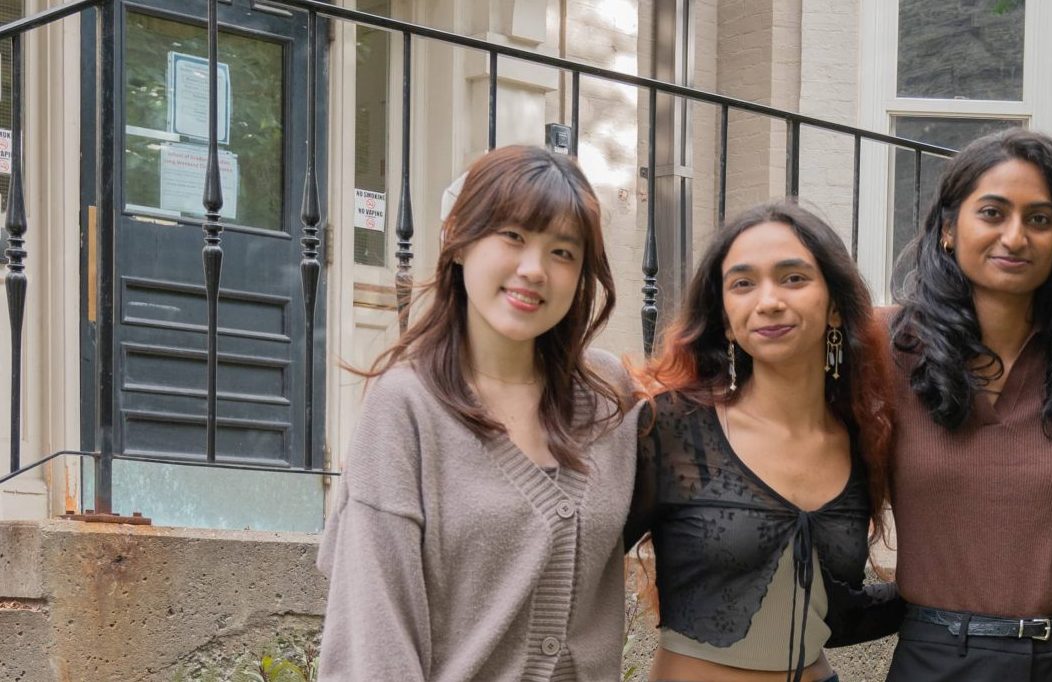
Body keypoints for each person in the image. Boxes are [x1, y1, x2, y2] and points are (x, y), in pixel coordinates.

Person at [318, 145, 636, 681]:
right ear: (459, 241)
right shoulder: (406, 408)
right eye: (512, 237)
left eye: (563, 252)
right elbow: (373, 635)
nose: (534, 270)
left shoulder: (607, 398)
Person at [882, 128, 1052, 681]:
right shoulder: (888, 351)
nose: (1015, 237)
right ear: (949, 229)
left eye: (1040, 219)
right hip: (938, 656)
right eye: (993, 213)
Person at [626, 200, 904, 682]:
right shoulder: (671, 428)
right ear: (726, 315)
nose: (769, 300)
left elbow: (836, 612)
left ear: (835, 303)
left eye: (793, 278)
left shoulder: (862, 439)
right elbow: (578, 568)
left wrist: (954, 592)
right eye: (743, 283)